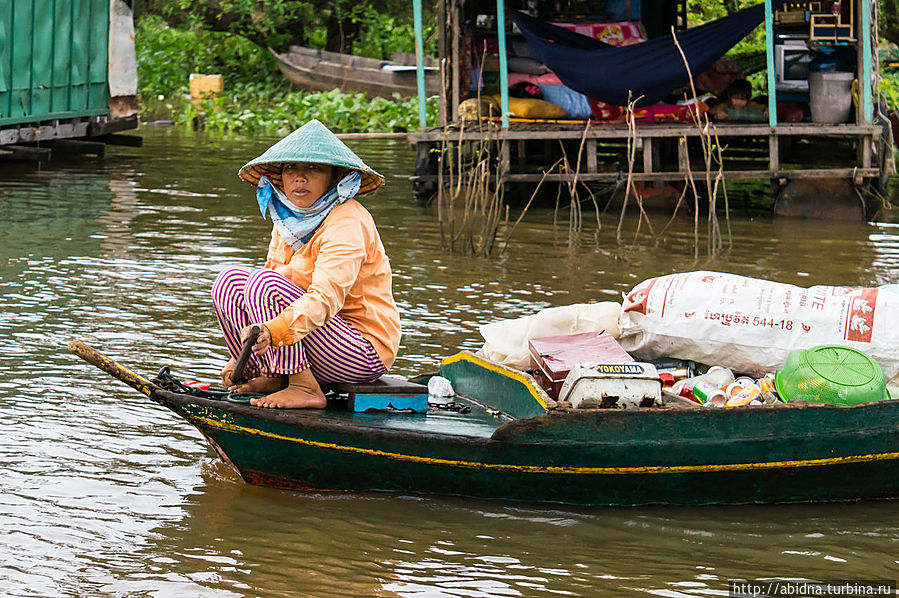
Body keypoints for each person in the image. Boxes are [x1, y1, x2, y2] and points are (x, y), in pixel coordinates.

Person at [211, 119, 401, 409]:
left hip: (360, 352)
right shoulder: (288, 220)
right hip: (314, 343)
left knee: (264, 285)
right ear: (282, 177)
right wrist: (240, 356)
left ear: (334, 177)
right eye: (291, 169)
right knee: (231, 282)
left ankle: (304, 387)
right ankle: (273, 374)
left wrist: (273, 331)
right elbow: (261, 288)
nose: (300, 179)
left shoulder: (347, 219)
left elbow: (325, 298)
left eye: (314, 169)